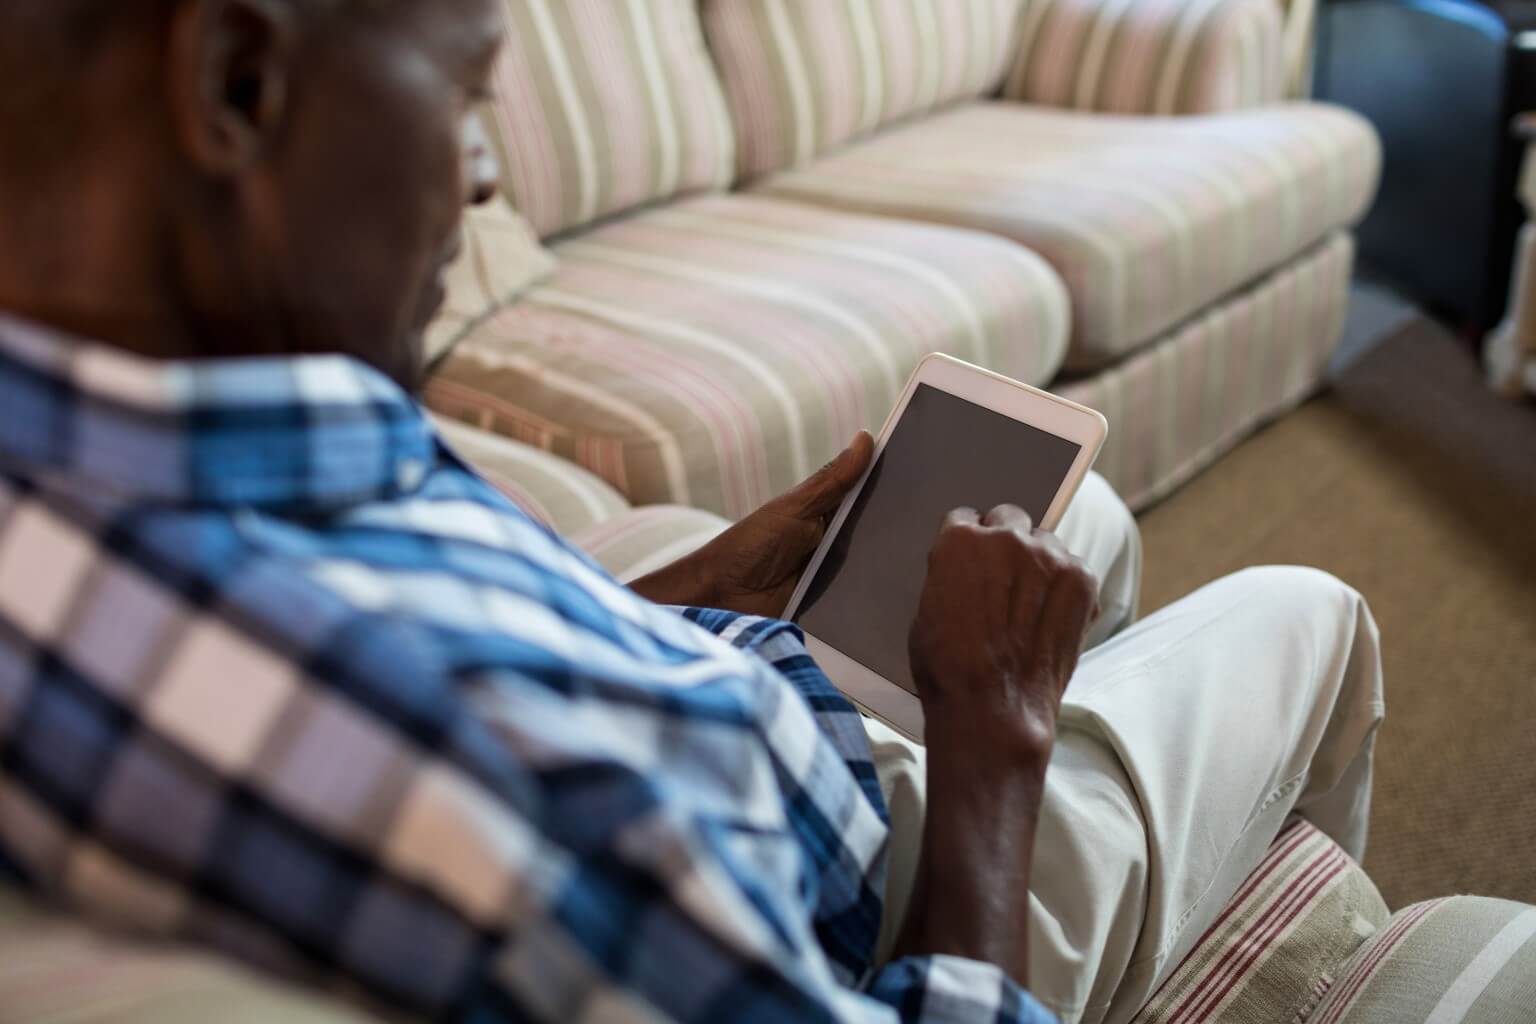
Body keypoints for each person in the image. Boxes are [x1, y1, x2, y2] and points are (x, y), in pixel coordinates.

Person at [0, 2, 1385, 1022]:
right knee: (1310, 616)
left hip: (737, 711)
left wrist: (699, 585)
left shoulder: (136, 444)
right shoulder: (504, 798)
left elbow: (450, 598)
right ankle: (1291, 961)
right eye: (470, 97)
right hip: (878, 906)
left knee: (1070, 539)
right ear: (236, 82)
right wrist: (991, 738)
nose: (486, 180)